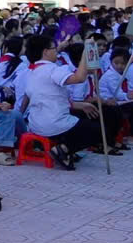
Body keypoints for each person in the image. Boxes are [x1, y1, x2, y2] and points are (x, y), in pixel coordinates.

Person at [23, 35, 100, 169]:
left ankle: (65, 149)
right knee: (96, 130)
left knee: (81, 115)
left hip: (36, 123)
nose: (57, 52)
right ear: (46, 52)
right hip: (53, 123)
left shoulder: (31, 72)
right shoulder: (53, 69)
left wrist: (80, 105)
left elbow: (49, 97)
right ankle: (62, 150)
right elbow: (79, 78)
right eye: (54, 48)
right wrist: (85, 52)